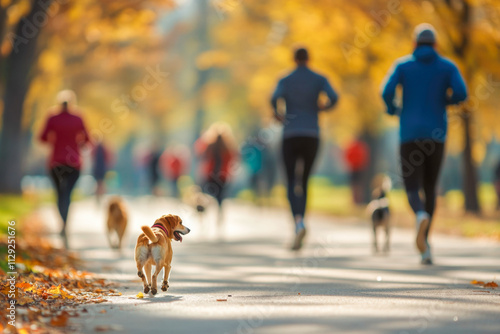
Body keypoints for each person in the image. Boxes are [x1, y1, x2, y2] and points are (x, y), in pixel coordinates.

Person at [382, 23, 467, 264]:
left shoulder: (403, 65)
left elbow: (386, 91)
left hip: (409, 133)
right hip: (436, 134)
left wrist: (393, 109)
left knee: (411, 184)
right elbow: (461, 93)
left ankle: (419, 214)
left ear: (414, 44)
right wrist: (445, 101)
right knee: (430, 186)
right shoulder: (448, 66)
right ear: (436, 45)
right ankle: (426, 244)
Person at [271, 47, 339, 251]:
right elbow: (334, 97)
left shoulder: (285, 79)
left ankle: (298, 222)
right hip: (312, 134)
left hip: (291, 134)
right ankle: (301, 221)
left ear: (294, 59)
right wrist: (321, 108)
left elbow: (273, 98)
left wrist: (278, 113)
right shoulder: (319, 78)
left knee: (291, 180)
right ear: (309, 58)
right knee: (305, 180)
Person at [40, 90, 91, 237]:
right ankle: (65, 224)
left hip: (56, 161)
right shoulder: (78, 118)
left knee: (59, 193)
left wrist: (54, 141)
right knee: (67, 193)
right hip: (73, 162)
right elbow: (87, 139)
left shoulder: (52, 118)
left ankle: (62, 223)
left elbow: (42, 137)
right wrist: (78, 144)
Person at [195, 122, 238, 223]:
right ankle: (219, 215)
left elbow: (199, 153)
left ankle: (202, 216)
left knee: (204, 196)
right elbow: (233, 159)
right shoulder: (228, 146)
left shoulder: (209, 145)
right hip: (222, 176)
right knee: (220, 198)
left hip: (209, 175)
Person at [344, 138, 370, 205]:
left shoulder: (352, 147)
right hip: (359, 168)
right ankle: (358, 201)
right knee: (359, 185)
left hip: (354, 168)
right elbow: (365, 157)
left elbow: (348, 156)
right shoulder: (362, 147)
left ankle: (356, 201)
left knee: (355, 185)